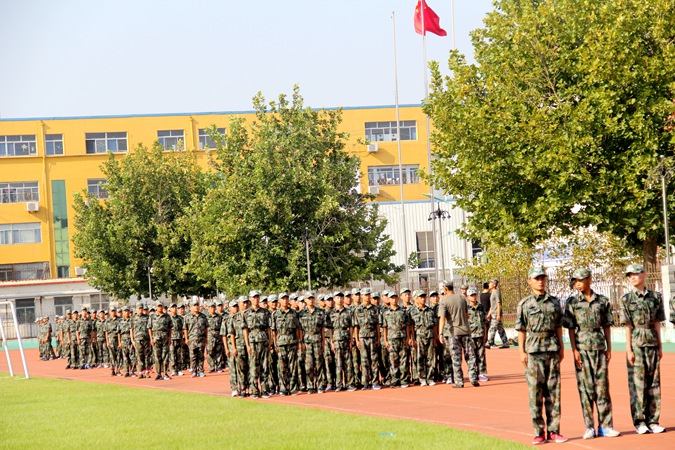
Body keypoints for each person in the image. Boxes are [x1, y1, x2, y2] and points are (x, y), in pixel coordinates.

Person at [562, 268, 620, 439]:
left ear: (589, 279)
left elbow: (606, 326)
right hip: (582, 349)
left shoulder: (602, 301)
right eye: (575, 281)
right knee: (585, 389)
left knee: (602, 388)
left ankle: (605, 426)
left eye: (580, 280)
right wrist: (574, 350)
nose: (577, 284)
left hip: (599, 348)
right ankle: (589, 426)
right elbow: (570, 328)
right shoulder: (572, 302)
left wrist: (609, 347)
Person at [516, 266, 567, 445]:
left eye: (542, 278)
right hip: (533, 351)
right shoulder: (525, 304)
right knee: (535, 393)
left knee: (553, 392)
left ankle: (554, 431)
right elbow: (521, 329)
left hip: (552, 349)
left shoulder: (554, 302)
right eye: (537, 278)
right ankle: (539, 432)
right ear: (529, 281)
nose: (540, 281)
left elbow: (559, 326)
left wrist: (561, 347)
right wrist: (521, 351)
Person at [620, 263, 666, 434]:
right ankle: (639, 421)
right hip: (636, 344)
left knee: (654, 383)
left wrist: (660, 345)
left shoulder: (655, 297)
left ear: (644, 274)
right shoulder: (626, 299)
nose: (633, 277)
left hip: (652, 343)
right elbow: (627, 326)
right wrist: (628, 350)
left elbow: (657, 322)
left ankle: (653, 420)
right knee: (638, 384)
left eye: (636, 274)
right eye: (630, 275)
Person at [438, 283, 478, 388]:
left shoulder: (444, 301)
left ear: (445, 289)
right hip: (466, 331)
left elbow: (442, 318)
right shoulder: (462, 298)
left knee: (456, 358)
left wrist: (440, 333)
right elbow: (466, 314)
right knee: (470, 356)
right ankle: (473, 378)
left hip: (453, 333)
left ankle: (459, 381)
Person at [271, 292, 301, 396]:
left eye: (286, 299)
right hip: (281, 343)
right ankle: (283, 388)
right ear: (279, 301)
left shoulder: (294, 313)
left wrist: (298, 341)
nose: (285, 301)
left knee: (293, 366)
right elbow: (273, 331)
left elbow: (297, 329)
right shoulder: (275, 314)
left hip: (292, 341)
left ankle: (293, 388)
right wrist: (275, 344)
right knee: (282, 366)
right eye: (283, 299)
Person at [244, 290, 272, 398]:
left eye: (257, 297)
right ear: (250, 299)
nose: (256, 299)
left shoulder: (266, 312)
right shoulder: (246, 313)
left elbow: (269, 328)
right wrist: (247, 345)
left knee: (265, 366)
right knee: (253, 367)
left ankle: (264, 390)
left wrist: (270, 342)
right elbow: (245, 330)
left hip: (263, 341)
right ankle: (255, 390)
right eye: (254, 297)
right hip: (252, 342)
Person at [382, 289, 411, 388]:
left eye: (395, 298)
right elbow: (384, 327)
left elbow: (407, 326)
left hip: (402, 337)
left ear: (398, 298)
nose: (394, 300)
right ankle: (395, 380)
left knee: (403, 359)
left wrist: (408, 338)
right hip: (391, 339)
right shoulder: (386, 313)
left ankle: (404, 380)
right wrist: (385, 340)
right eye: (392, 298)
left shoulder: (403, 311)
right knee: (393, 360)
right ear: (389, 299)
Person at [353, 287, 381, 390]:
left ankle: (375, 381)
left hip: (373, 336)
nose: (367, 297)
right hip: (362, 337)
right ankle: (365, 382)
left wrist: (379, 338)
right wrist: (357, 340)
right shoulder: (357, 309)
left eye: (369, 295)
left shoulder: (375, 309)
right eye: (365, 295)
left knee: (374, 359)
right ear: (362, 296)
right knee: (364, 360)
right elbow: (356, 326)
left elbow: (377, 325)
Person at [409, 290, 437, 386]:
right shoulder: (413, 311)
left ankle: (430, 378)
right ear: (416, 299)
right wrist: (413, 339)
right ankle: (422, 378)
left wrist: (435, 338)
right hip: (419, 337)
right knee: (420, 358)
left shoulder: (430, 311)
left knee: (431, 358)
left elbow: (434, 325)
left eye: (424, 297)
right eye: (421, 297)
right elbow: (411, 327)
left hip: (430, 336)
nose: (423, 299)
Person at [329, 292, 356, 392]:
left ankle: (350, 383)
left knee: (348, 363)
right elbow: (330, 328)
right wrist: (331, 341)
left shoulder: (348, 312)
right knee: (338, 363)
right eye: (337, 298)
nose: (339, 300)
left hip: (346, 339)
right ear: (334, 299)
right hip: (336, 339)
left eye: (341, 298)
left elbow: (351, 326)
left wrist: (351, 339)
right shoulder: (331, 313)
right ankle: (339, 384)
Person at [467, 287, 489, 382]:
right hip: (471, 335)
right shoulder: (466, 309)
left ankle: (481, 373)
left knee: (481, 355)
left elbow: (484, 322)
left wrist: (485, 334)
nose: (474, 297)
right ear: (468, 297)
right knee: (472, 355)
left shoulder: (480, 307)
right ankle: (473, 373)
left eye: (475, 295)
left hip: (480, 334)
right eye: (471, 295)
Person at [184, 299, 209, 378]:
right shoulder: (187, 317)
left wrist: (206, 338)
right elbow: (185, 328)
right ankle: (194, 371)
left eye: (197, 305)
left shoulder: (203, 316)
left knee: (201, 356)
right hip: (192, 339)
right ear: (191, 307)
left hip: (201, 338)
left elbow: (206, 328)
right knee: (193, 356)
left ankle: (201, 371)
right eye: (194, 305)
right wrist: (186, 339)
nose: (196, 307)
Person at [149, 302, 172, 380]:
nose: (160, 308)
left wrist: (169, 338)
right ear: (156, 307)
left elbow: (170, 328)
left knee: (165, 356)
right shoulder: (152, 316)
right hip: (156, 338)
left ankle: (165, 373)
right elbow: (149, 328)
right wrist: (151, 338)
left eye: (161, 306)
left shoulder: (167, 316)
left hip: (165, 338)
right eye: (158, 306)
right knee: (157, 356)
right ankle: (158, 373)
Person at [487, 279, 509, 348]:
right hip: (493, 313)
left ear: (494, 285)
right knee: (500, 329)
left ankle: (489, 342)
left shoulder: (496, 292)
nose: (489, 284)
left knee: (492, 328)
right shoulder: (493, 293)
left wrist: (498, 315)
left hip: (496, 314)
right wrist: (489, 314)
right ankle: (505, 342)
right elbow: (492, 306)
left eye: (490, 283)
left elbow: (498, 304)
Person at [168, 303, 184, 376]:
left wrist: (182, 337)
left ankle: (179, 369)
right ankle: (173, 369)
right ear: (170, 309)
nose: (174, 309)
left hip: (179, 338)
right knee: (172, 354)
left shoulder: (180, 318)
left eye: (175, 307)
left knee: (179, 354)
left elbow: (183, 328)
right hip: (171, 338)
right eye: (173, 307)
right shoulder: (168, 318)